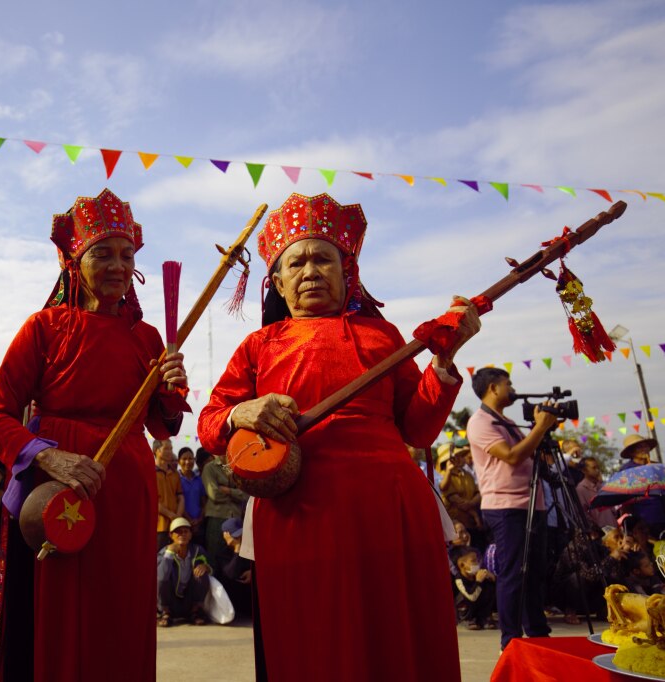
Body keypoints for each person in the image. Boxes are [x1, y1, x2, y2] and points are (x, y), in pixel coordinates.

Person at [197, 192, 480, 681]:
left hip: (391, 511)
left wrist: (443, 362)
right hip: (299, 515)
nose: (310, 271)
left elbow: (417, 427)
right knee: (314, 642)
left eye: (323, 259)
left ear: (346, 271)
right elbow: (209, 424)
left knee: (397, 637)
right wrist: (244, 411)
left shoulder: (383, 335)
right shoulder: (259, 345)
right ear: (278, 281)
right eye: (297, 262)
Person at [0, 189, 189, 682]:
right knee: (61, 612)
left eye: (127, 255)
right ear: (75, 260)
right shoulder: (44, 328)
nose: (117, 265)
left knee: (122, 612)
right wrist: (48, 458)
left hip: (127, 489)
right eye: (102, 253)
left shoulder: (147, 337)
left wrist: (171, 388)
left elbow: (163, 424)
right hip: (60, 491)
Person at [466, 367, 560, 651]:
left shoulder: (506, 421)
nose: (513, 388)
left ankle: (537, 633)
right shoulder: (480, 421)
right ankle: (511, 641)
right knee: (513, 573)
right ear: (493, 388)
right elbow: (511, 457)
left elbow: (531, 456)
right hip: (505, 507)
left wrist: (540, 432)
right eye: (508, 383)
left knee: (533, 573)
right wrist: (540, 427)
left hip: (532, 504)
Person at [156, 517, 211, 626]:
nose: (182, 534)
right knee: (162, 577)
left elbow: (211, 566)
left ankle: (195, 611)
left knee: (201, 572)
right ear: (171, 535)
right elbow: (161, 577)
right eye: (178, 532)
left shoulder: (197, 550)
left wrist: (206, 567)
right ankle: (165, 612)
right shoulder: (164, 552)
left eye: (186, 531)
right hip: (170, 601)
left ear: (190, 535)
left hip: (188, 599)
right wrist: (169, 555)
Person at [202, 453, 248, 574]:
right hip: (218, 519)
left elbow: (245, 495)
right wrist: (235, 494)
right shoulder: (210, 468)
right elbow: (214, 495)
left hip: (236, 520)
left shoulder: (234, 467)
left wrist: (228, 491)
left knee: (237, 557)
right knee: (215, 559)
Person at [154, 439, 184, 549]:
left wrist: (178, 516)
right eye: (166, 448)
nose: (170, 451)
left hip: (175, 524)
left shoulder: (175, 473)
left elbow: (180, 496)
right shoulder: (151, 473)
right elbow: (153, 501)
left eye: (171, 449)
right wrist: (171, 515)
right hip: (159, 525)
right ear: (156, 451)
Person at [575, 456, 616, 530]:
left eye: (597, 467)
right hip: (600, 532)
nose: (597, 470)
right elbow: (582, 514)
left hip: (613, 529)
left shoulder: (602, 486)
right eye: (594, 468)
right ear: (584, 470)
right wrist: (596, 529)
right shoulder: (581, 489)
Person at [177, 447, 205, 545]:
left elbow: (203, 502)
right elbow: (177, 502)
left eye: (190, 458)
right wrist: (189, 520)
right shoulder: (176, 479)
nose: (188, 462)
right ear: (178, 461)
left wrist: (199, 520)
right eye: (184, 459)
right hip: (182, 523)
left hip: (199, 524)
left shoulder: (199, 479)